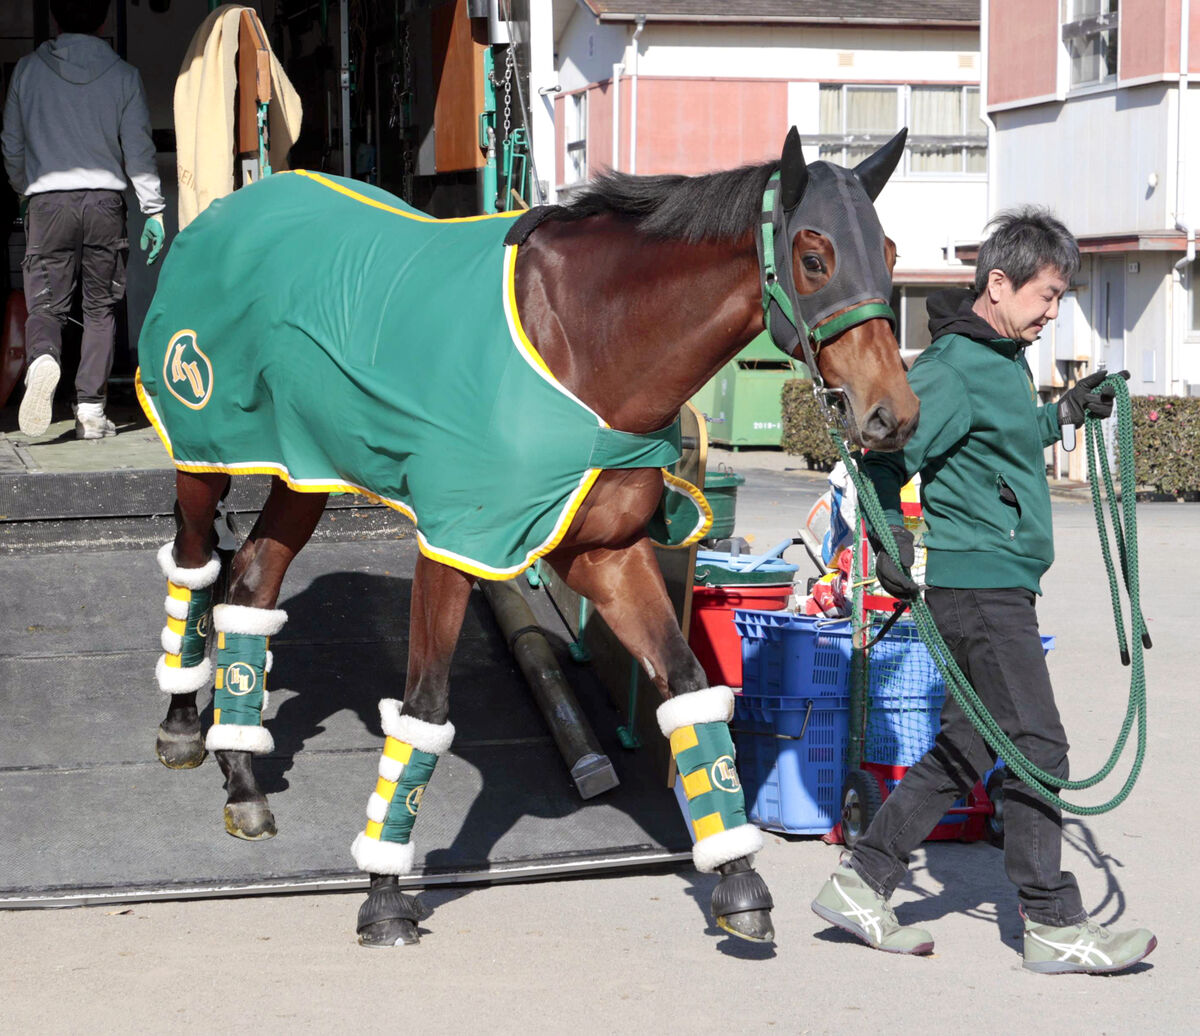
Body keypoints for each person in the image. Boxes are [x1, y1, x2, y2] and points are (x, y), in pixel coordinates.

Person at [811, 206, 1156, 975]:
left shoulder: (1000, 360)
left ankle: (861, 883)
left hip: (1000, 583)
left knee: (971, 750)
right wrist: (894, 540)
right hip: (980, 587)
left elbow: (997, 443)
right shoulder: (954, 368)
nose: (1053, 313)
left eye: (1060, 298)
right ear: (998, 285)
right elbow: (882, 456)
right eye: (1047, 296)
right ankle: (1052, 921)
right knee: (1039, 747)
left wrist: (1061, 415)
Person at [2, 0, 165, 440]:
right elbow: (139, 151)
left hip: (48, 202)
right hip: (104, 204)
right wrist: (153, 209)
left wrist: (24, 190)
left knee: (46, 304)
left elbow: (11, 144)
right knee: (100, 308)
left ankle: (44, 359)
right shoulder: (123, 75)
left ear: (54, 17)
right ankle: (91, 410)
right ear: (106, 18)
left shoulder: (28, 71)